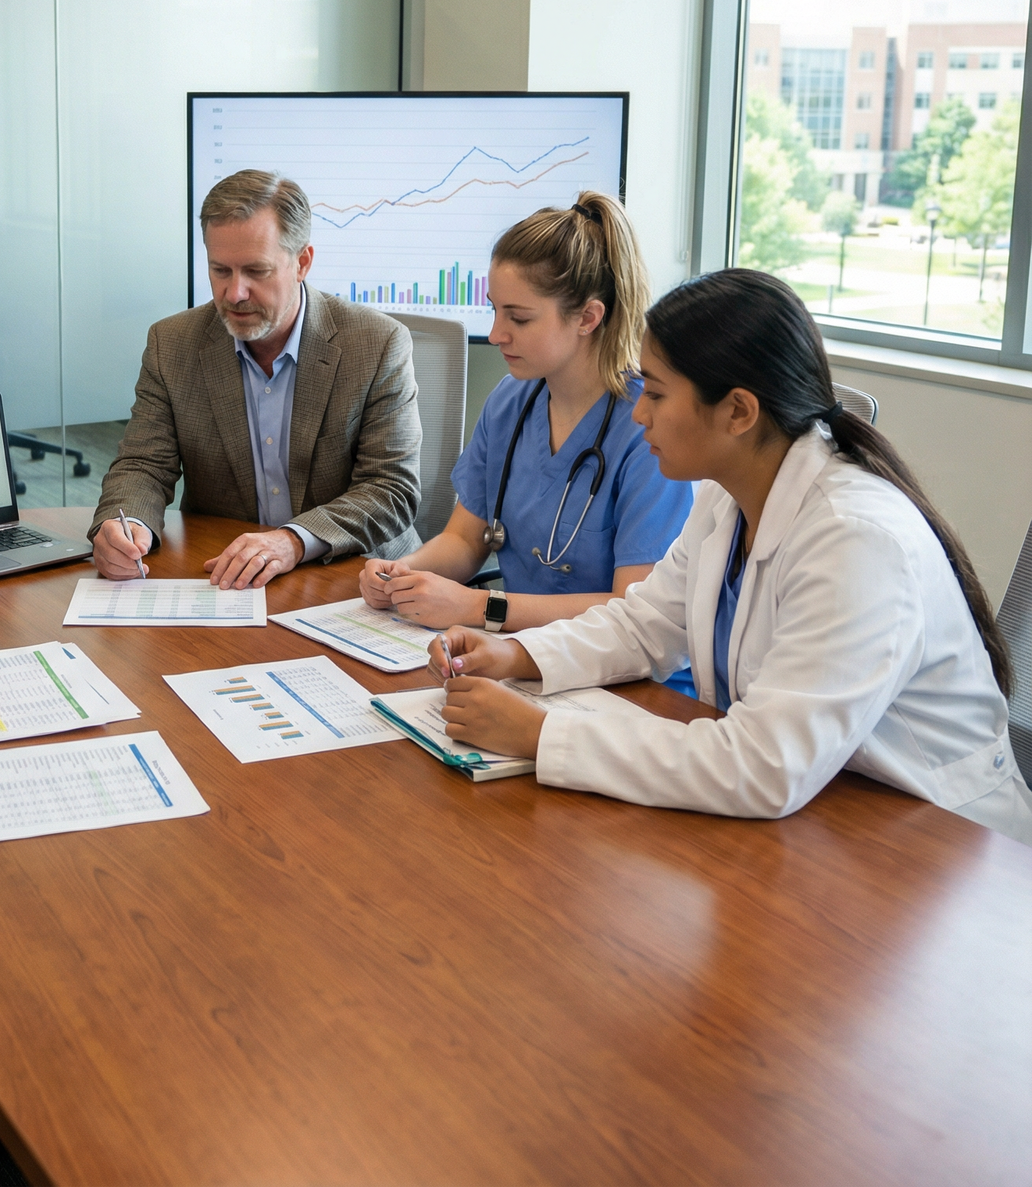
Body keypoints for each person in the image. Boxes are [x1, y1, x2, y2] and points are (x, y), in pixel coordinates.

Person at [430, 268, 1032, 843]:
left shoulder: (854, 540)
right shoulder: (730, 496)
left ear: (739, 411)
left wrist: (543, 735)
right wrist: (515, 655)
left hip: (941, 843)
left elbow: (766, 764)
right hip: (832, 813)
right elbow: (644, 623)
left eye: (656, 393)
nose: (638, 412)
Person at [360, 192, 693, 658]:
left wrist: (480, 606)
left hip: (622, 671)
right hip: (521, 654)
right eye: (495, 310)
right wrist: (403, 574)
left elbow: (633, 609)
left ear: (588, 317)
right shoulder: (511, 401)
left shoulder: (648, 430)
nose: (497, 334)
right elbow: (464, 539)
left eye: (518, 318)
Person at [91, 170, 421, 588]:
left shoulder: (377, 343)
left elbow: (390, 488)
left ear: (302, 262)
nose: (235, 293)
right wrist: (126, 525)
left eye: (256, 271)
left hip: (359, 577)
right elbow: (143, 465)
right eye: (220, 271)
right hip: (227, 575)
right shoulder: (172, 344)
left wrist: (293, 541)